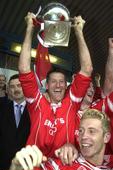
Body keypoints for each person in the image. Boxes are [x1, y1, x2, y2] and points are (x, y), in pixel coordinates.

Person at [18, 12, 93, 158]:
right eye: (53, 82)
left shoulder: (72, 102)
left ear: (66, 86)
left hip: (64, 167)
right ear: (46, 86)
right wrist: (29, 29)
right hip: (34, 169)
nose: (58, 85)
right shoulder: (36, 102)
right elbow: (24, 69)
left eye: (61, 82)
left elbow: (87, 69)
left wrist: (79, 32)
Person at [9, 109, 113, 170]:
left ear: (106, 137)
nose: (84, 136)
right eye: (81, 131)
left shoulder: (109, 167)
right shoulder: (62, 165)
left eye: (92, 131)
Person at [0, 74, 31, 170]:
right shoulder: (2, 107)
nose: (16, 89)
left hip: (26, 165)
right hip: (3, 164)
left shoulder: (34, 110)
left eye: (19, 85)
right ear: (8, 89)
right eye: (12, 87)